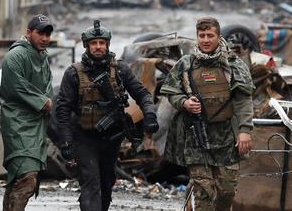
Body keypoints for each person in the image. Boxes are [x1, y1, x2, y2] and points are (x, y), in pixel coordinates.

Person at [54, 20, 159, 211]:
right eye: (94, 43)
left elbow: (142, 94)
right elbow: (62, 110)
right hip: (84, 138)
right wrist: (66, 142)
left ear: (107, 45)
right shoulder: (73, 73)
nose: (98, 47)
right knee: (91, 183)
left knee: (106, 183)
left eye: (102, 43)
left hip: (111, 139)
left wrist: (150, 115)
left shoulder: (120, 69)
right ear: (87, 46)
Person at [161, 16, 255, 211]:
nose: (205, 40)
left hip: (227, 138)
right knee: (204, 193)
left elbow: (243, 100)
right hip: (197, 138)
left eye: (210, 35)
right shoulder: (186, 64)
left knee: (226, 192)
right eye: (201, 35)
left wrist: (245, 130)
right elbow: (170, 92)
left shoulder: (233, 64)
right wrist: (184, 102)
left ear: (219, 36)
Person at [0, 14, 55, 211]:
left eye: (48, 34)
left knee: (21, 180)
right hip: (18, 123)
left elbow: (48, 86)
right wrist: (44, 102)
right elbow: (17, 86)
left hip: (36, 125)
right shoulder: (15, 56)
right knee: (26, 178)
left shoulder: (42, 56)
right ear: (29, 32)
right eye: (41, 33)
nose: (45, 38)